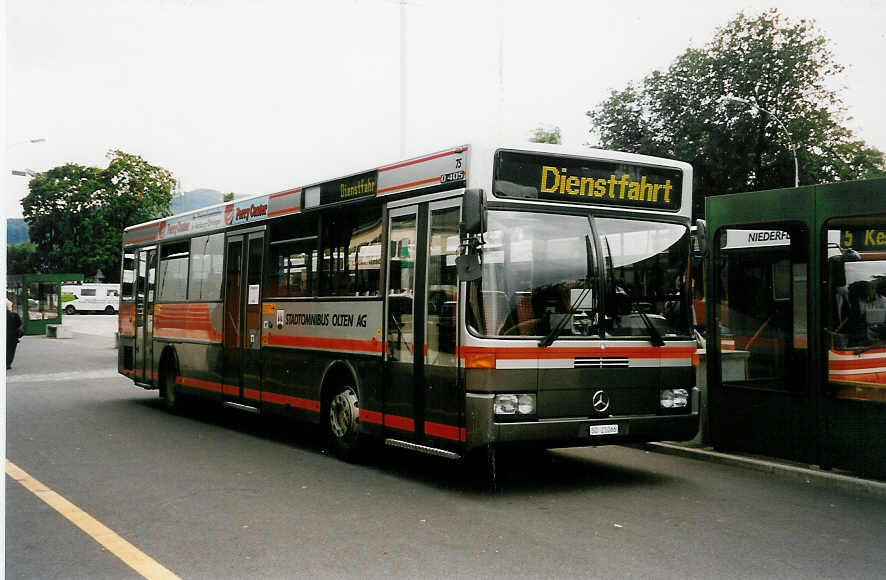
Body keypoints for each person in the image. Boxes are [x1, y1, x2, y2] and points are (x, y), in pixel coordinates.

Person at [7, 299, 24, 369]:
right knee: (10, 350)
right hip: (12, 336)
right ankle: (7, 363)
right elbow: (19, 325)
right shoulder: (14, 315)